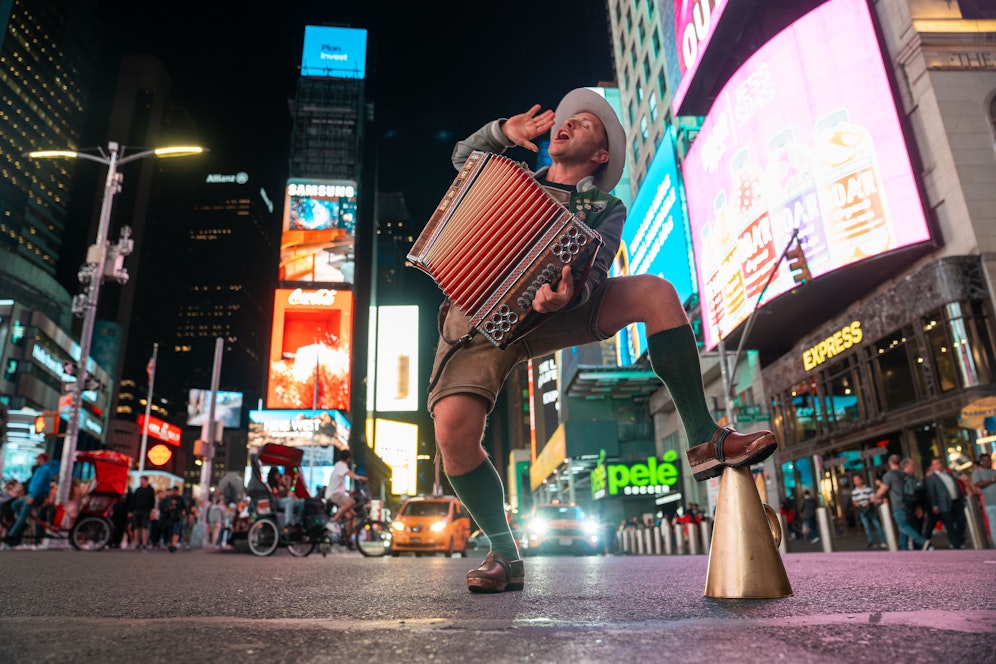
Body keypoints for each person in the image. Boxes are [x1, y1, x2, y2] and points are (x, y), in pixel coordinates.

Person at [426, 89, 777, 593]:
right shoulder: (511, 176)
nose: (567, 125)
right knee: (453, 438)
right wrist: (504, 133)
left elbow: (597, 272)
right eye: (565, 122)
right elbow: (463, 157)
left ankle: (703, 438)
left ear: (600, 155)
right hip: (479, 314)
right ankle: (505, 554)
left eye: (585, 124)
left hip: (553, 312)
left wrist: (566, 298)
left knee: (657, 293)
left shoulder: (605, 206)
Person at [875, 455, 931, 550]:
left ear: (890, 463)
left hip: (898, 505)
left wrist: (875, 496)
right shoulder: (905, 474)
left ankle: (922, 541)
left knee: (903, 526)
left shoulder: (889, 475)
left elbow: (884, 489)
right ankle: (904, 552)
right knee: (904, 531)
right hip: (909, 504)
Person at [3, 452, 53, 548]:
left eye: (38, 459)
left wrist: (33, 497)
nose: (36, 460)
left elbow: (39, 484)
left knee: (23, 514)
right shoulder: (39, 469)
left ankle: (11, 536)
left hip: (36, 496)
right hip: (31, 494)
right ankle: (22, 524)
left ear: (42, 459)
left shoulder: (45, 470)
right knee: (15, 505)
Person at [323, 449, 368, 540]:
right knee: (351, 502)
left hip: (335, 493)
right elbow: (350, 474)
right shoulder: (341, 465)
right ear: (348, 458)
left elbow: (338, 484)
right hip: (333, 494)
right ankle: (333, 521)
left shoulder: (339, 466)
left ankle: (347, 538)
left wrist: (349, 492)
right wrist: (359, 477)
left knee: (351, 515)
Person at [924, 457, 967, 549]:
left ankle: (959, 540)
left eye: (939, 463)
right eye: (936, 464)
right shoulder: (931, 478)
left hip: (956, 501)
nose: (939, 465)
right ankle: (955, 544)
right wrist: (934, 505)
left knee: (961, 522)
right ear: (932, 467)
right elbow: (931, 493)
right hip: (944, 504)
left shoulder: (948, 474)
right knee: (949, 525)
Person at [850, 474, 886, 549]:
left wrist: (868, 502)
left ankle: (883, 541)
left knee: (877, 525)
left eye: (857, 479)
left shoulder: (868, 489)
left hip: (870, 509)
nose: (856, 482)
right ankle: (872, 542)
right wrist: (858, 504)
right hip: (862, 510)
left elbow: (873, 498)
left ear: (861, 480)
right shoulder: (854, 492)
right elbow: (854, 501)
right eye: (854, 481)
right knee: (867, 527)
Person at [971, 453, 996, 545]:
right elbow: (977, 484)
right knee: (994, 525)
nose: (988, 462)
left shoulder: (994, 471)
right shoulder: (977, 472)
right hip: (991, 503)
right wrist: (992, 480)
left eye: (989, 460)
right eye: (985, 460)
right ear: (981, 462)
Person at [131, 476, 156, 551]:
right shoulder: (138, 490)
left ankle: (144, 543)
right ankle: (137, 543)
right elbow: (134, 500)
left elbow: (152, 501)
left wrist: (151, 511)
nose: (141, 482)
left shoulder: (150, 490)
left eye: (142, 480)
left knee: (145, 526)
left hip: (146, 510)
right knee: (137, 527)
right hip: (137, 510)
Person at [160, 486, 187, 552]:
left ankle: (174, 545)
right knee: (169, 531)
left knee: (176, 531)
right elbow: (163, 507)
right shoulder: (168, 499)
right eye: (173, 491)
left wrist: (184, 513)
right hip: (169, 517)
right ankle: (169, 543)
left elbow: (185, 507)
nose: (174, 492)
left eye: (175, 491)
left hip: (177, 517)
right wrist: (168, 508)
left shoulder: (180, 499)